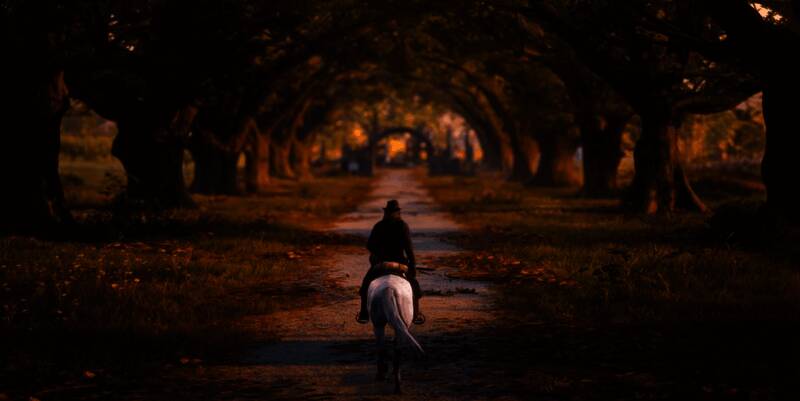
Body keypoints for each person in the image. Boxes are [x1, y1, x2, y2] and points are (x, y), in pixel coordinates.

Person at [356, 199, 424, 324]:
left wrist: (377, 254)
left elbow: (370, 245)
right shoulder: (402, 226)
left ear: (386, 212)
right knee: (414, 286)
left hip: (381, 263)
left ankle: (364, 313)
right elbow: (409, 248)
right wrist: (413, 266)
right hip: (400, 263)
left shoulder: (379, 226)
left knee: (366, 285)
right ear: (397, 213)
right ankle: (417, 314)